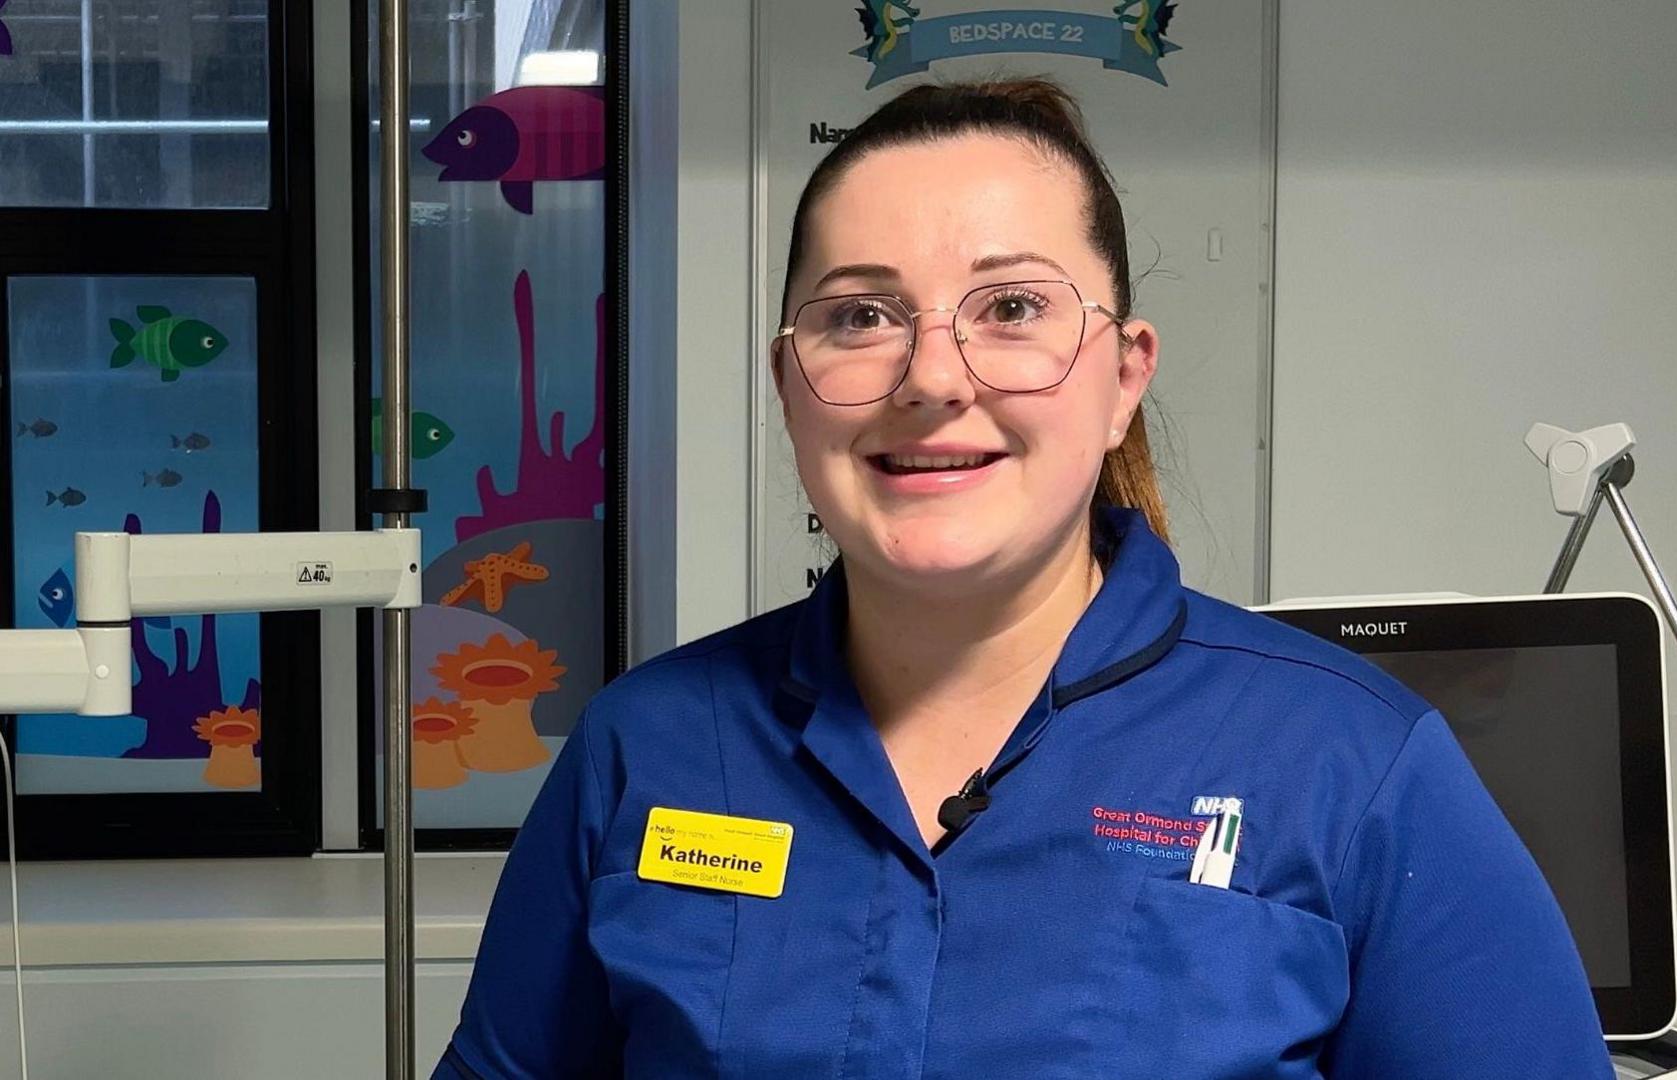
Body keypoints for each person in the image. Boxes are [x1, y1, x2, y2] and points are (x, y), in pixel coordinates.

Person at [436, 78, 1614, 1078]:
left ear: (1122, 378)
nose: (931, 375)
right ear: (788, 385)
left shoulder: (1348, 768)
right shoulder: (646, 748)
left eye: (1011, 307)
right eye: (860, 315)